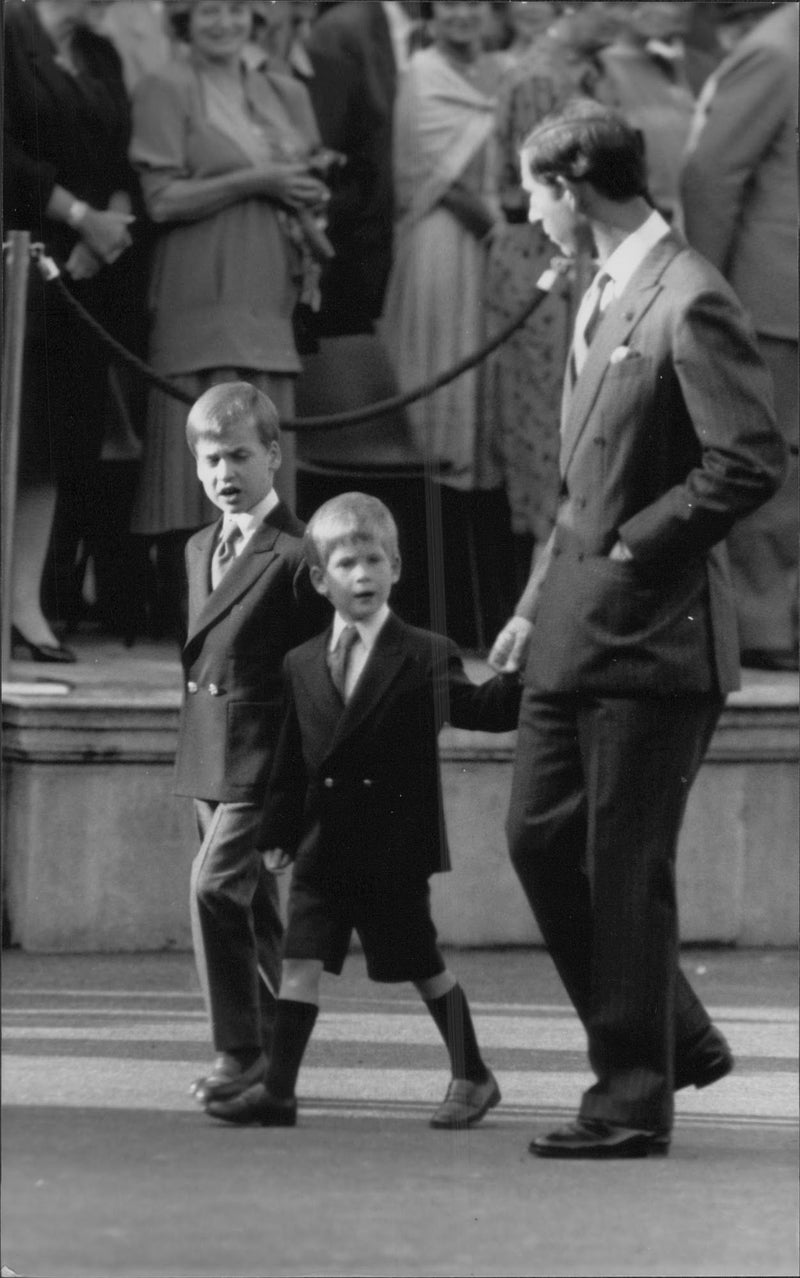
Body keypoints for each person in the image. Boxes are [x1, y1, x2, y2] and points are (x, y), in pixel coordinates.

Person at [489, 100, 786, 1159]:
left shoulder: (687, 297)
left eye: (534, 192)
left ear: (573, 187)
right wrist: (534, 603)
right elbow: (580, 481)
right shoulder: (601, 287)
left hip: (653, 640)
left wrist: (632, 544)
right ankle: (670, 1031)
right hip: (576, 627)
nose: (528, 214)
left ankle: (627, 1098)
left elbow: (746, 459)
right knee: (535, 840)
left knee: (622, 869)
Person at [204, 492, 522, 1128]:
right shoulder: (300, 663)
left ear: (397, 568)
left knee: (422, 967)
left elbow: (483, 710)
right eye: (347, 564)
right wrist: (278, 831)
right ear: (321, 580)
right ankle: (279, 1093)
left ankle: (473, 1072)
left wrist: (517, 674)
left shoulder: (425, 653)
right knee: (298, 966)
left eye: (375, 561)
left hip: (391, 851)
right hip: (323, 848)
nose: (363, 575)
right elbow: (292, 758)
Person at [128, 0, 329, 638]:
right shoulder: (165, 86)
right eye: (208, 11)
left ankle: (264, 604)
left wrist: (301, 196)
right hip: (198, 280)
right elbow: (160, 201)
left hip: (270, 281)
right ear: (184, 20)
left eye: (237, 9)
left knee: (267, 426)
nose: (224, 22)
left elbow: (308, 178)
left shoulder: (285, 91)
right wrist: (257, 180)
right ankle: (184, 608)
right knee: (197, 431)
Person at [176, 382, 325, 1109]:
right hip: (211, 752)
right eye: (210, 460)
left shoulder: (299, 553)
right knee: (256, 912)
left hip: (266, 759)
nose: (225, 473)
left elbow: (320, 671)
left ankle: (239, 1050)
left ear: (273, 454)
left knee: (214, 890)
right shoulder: (201, 545)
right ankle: (277, 1055)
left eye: (239, 455)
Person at [3, 0, 139, 659]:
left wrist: (102, 230)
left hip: (79, 278)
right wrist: (80, 214)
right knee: (9, 432)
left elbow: (120, 156)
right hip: (14, 256)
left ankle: (24, 607)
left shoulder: (100, 53)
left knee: (48, 442)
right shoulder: (7, 31)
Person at [380, 0, 516, 651]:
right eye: (450, 3)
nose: (463, 15)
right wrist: (508, 237)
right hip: (445, 245)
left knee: (487, 414)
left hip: (500, 244)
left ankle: (480, 608)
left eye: (475, 3)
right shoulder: (422, 74)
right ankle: (432, 608)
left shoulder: (501, 69)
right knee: (442, 398)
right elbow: (444, 181)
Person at [485, 1, 621, 591]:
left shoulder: (586, 72)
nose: (626, 16)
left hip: (573, 260)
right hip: (547, 266)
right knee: (550, 436)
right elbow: (551, 193)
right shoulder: (543, 78)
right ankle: (536, 613)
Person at [681, 0, 799, 672]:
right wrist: (708, 292)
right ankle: (764, 625)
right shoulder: (776, 51)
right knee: (767, 464)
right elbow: (711, 176)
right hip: (770, 302)